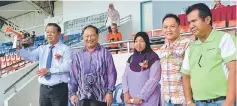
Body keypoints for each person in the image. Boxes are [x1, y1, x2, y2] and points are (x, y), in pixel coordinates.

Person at [181, 3, 236, 106]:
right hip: (197, 103)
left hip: (221, 102)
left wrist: (229, 101)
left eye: (194, 21)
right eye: (189, 22)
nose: (191, 26)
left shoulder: (224, 39)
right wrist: (189, 101)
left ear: (207, 20)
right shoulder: (191, 48)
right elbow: (185, 75)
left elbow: (234, 70)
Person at [17, 23, 72, 106]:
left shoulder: (66, 49)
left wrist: (50, 71)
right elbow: (29, 56)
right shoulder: (42, 48)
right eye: (47, 32)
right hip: (44, 89)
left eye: (52, 32)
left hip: (59, 89)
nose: (49, 34)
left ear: (59, 33)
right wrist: (19, 46)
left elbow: (67, 66)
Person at [69, 25, 117, 106]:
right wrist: (72, 93)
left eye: (92, 35)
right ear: (83, 37)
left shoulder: (105, 53)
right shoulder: (78, 56)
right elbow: (74, 76)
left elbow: (111, 74)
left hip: (101, 98)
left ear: (97, 36)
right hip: (83, 98)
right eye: (87, 36)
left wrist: (110, 92)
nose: (89, 38)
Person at [158, 13, 193, 106]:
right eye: (165, 27)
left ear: (179, 27)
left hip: (183, 100)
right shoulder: (162, 49)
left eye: (172, 26)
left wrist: (189, 99)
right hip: (168, 100)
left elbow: (192, 73)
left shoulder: (188, 44)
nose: (168, 30)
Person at [122, 32, 161, 106]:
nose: (138, 44)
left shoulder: (153, 58)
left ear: (146, 42)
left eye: (141, 41)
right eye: (136, 41)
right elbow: (125, 77)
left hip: (148, 100)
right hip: (132, 100)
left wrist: (141, 97)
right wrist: (126, 92)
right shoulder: (131, 59)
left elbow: (154, 80)